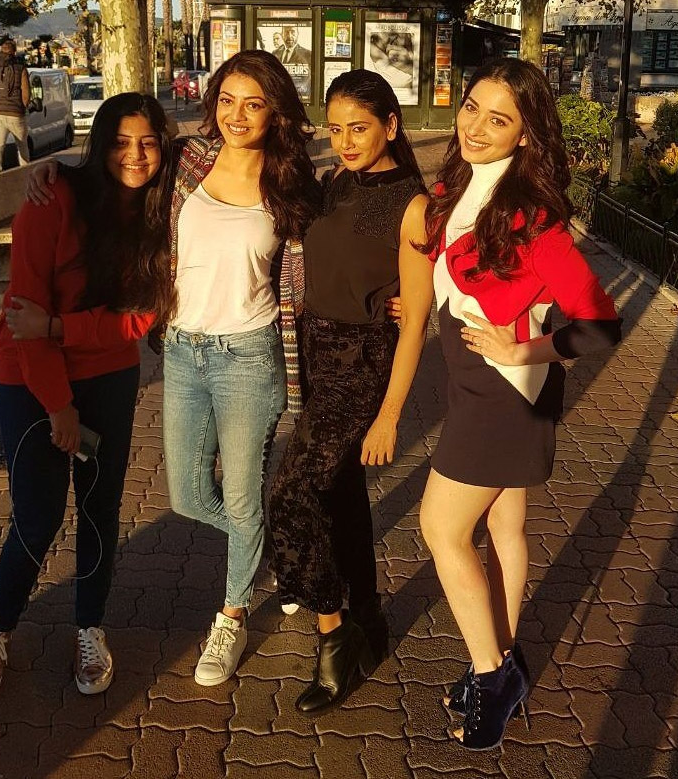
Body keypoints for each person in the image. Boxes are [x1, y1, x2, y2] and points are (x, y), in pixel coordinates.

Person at [26, 49, 321, 688]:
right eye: (227, 100)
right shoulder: (189, 160)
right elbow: (123, 173)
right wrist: (56, 172)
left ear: (275, 112)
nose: (237, 115)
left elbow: (326, 262)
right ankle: (270, 547)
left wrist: (394, 294)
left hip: (249, 355)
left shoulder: (292, 185)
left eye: (254, 104)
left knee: (241, 495)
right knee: (187, 494)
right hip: (184, 352)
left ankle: (232, 616)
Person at [417, 58, 622, 750]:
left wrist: (527, 349)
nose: (475, 126)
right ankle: (501, 658)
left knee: (441, 528)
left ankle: (493, 675)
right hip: (479, 382)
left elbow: (600, 322)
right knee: (504, 525)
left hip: (501, 391)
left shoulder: (533, 218)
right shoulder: (459, 184)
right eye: (471, 107)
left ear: (526, 134)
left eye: (498, 119)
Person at [0, 93, 174, 702]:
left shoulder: (162, 214)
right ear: (99, 143)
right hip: (30, 378)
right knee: (37, 515)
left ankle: (89, 628)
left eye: (148, 143)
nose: (135, 156)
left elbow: (141, 318)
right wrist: (58, 405)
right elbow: (23, 316)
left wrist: (62, 328)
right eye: (120, 142)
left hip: (109, 377)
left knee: (99, 510)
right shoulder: (52, 199)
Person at [266, 69, 431, 714]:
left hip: (362, 362)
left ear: (391, 125)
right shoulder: (334, 182)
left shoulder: (411, 206)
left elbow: (415, 321)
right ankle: (370, 617)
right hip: (316, 352)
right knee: (340, 496)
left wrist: (390, 415)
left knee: (292, 494)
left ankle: (334, 636)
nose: (346, 142)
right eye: (335, 129)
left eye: (359, 128)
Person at [0, 37, 31, 175]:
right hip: (16, 114)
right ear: (14, 52)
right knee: (22, 145)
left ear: (1, 51)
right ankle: (25, 172)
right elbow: (26, 93)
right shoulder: (21, 69)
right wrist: (23, 106)